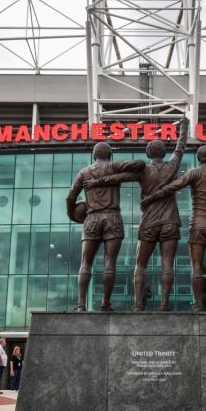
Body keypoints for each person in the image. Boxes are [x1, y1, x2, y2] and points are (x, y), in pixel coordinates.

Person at [83, 117, 189, 311]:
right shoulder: (172, 166)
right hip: (170, 221)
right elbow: (180, 147)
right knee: (167, 264)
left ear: (147, 154)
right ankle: (165, 304)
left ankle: (138, 304)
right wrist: (184, 127)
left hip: (148, 222)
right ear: (163, 153)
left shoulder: (143, 171)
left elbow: (118, 177)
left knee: (140, 265)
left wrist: (97, 182)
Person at [140, 145, 206, 311]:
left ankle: (198, 305)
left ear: (198, 158)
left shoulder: (194, 173)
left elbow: (173, 186)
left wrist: (152, 197)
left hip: (198, 225)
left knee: (196, 266)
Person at [66, 143, 145, 311]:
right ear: (109, 155)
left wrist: (72, 216)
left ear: (94, 155)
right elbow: (140, 164)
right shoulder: (113, 166)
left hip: (92, 218)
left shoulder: (84, 172)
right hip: (112, 217)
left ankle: (80, 304)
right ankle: (105, 303)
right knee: (110, 262)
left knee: (85, 263)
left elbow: (70, 197)